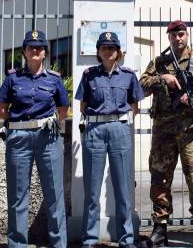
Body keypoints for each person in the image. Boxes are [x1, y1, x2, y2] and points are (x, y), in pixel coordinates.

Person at [139, 20, 193, 248]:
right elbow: (141, 85)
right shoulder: (159, 62)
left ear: (187, 36)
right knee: (160, 179)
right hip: (163, 131)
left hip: (191, 131)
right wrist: (161, 78)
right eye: (173, 35)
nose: (178, 38)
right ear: (169, 38)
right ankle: (160, 229)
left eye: (181, 34)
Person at [0, 30, 70, 248]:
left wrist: (54, 120)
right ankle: (17, 244)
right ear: (24, 52)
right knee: (18, 196)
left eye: (39, 47)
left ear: (45, 52)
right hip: (19, 138)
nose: (35, 50)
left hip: (48, 137)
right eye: (31, 47)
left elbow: (64, 107)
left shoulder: (54, 80)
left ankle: (59, 244)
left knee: (54, 194)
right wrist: (17, 123)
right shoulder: (13, 78)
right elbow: (1, 109)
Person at [74, 31, 144, 248]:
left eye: (112, 47)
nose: (108, 51)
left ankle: (126, 239)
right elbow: (82, 106)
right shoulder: (89, 75)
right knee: (92, 191)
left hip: (119, 129)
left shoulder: (129, 75)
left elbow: (135, 105)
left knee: (123, 189)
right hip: (94, 128)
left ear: (118, 52)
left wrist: (119, 120)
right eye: (104, 47)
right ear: (98, 51)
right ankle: (89, 239)